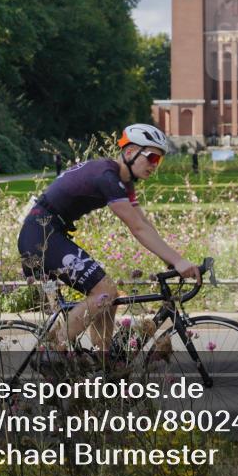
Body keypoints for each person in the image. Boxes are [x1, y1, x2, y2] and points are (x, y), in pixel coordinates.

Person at [18, 123, 199, 354]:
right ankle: (52, 350)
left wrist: (173, 259)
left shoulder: (123, 182)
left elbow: (143, 223)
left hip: (50, 233)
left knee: (108, 295)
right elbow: (137, 228)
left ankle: (102, 360)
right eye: (152, 157)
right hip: (40, 235)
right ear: (130, 152)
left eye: (159, 160)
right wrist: (178, 261)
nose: (155, 165)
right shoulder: (108, 177)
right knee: (105, 292)